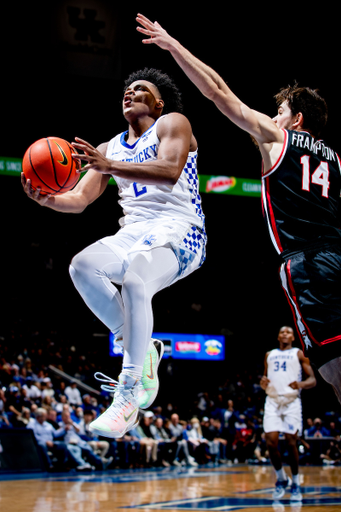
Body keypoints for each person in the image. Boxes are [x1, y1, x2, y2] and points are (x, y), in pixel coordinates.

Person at [136, 14, 341, 404]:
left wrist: (172, 45)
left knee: (334, 369)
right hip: (337, 255)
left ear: (295, 119)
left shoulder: (279, 138)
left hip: (309, 266)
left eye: (279, 110)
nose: (273, 116)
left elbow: (216, 91)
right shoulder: (335, 159)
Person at [21, 67, 206, 439]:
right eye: (127, 89)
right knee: (82, 266)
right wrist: (48, 200)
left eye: (141, 90)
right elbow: (79, 200)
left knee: (137, 276)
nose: (130, 92)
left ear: (158, 103)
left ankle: (129, 393)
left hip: (181, 229)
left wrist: (110, 166)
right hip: (135, 232)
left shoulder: (173, 123)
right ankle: (141, 346)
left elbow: (170, 170)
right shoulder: (110, 146)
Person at [260, 326, 316, 501]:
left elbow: (312, 380)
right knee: (270, 441)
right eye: (282, 332)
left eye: (289, 332)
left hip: (291, 401)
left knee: (291, 442)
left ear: (293, 337)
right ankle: (281, 478)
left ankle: (296, 482)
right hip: (273, 400)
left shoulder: (299, 354)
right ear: (278, 336)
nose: (285, 334)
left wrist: (299, 385)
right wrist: (263, 383)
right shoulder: (269, 355)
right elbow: (265, 379)